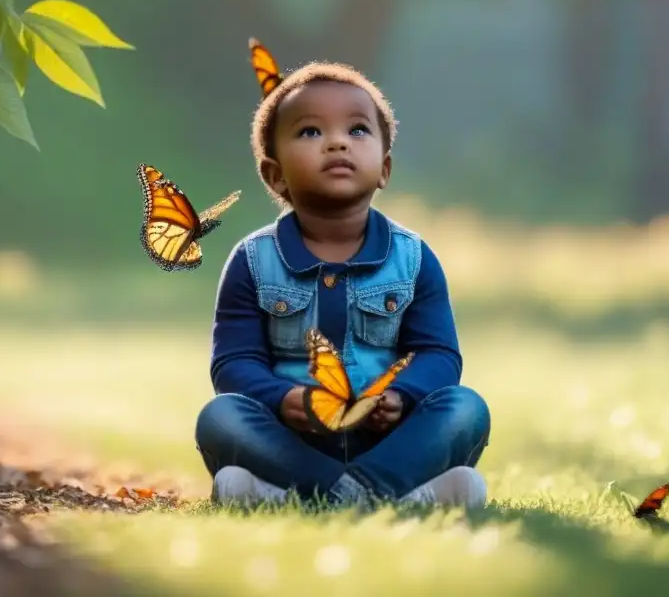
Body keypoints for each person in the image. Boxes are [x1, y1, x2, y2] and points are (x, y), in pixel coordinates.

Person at [194, 61, 491, 508]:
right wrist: (282, 399)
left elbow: (439, 354)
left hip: (390, 442)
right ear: (275, 176)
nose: (336, 142)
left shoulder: (413, 259)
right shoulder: (253, 261)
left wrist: (403, 395)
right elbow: (234, 362)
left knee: (465, 408)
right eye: (311, 132)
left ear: (384, 168)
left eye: (356, 130)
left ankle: (305, 497)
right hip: (292, 441)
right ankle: (394, 500)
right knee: (220, 417)